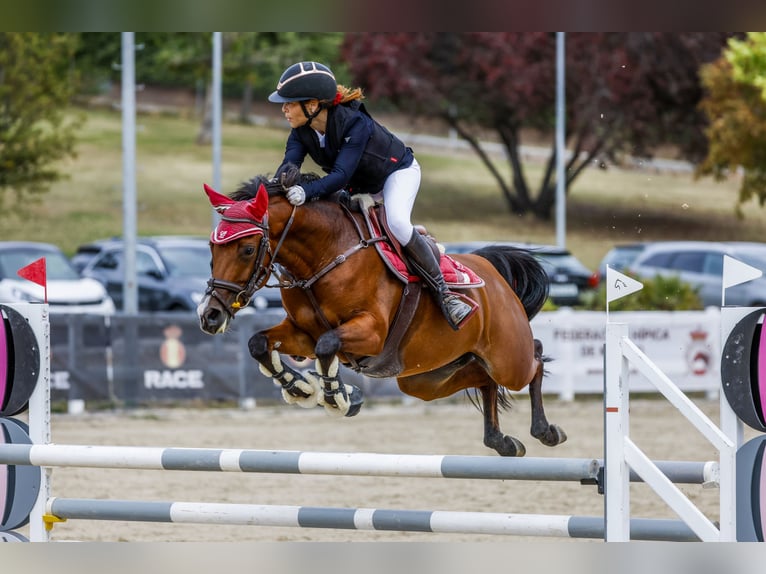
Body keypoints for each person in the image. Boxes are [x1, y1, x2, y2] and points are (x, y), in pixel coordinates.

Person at [268, 61, 472, 330]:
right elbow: (289, 165)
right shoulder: (300, 132)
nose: (284, 108)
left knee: (397, 223)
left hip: (395, 173)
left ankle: (445, 294)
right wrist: (275, 187)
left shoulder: (355, 124)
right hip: (358, 184)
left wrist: (306, 191)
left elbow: (339, 175)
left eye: (289, 103)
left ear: (313, 104)